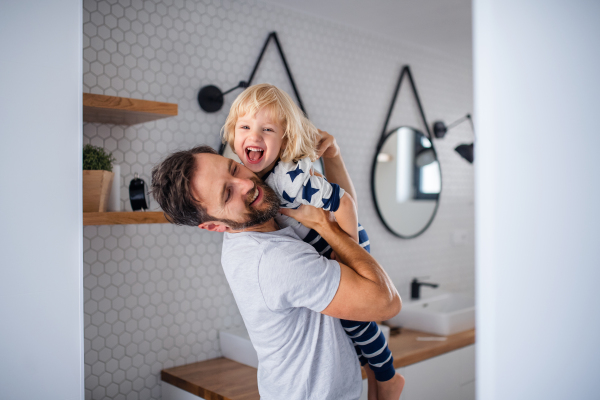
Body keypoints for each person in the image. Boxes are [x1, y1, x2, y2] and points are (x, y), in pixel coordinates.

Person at [151, 145, 402, 400]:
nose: (246, 184)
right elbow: (387, 303)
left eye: (234, 168)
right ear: (214, 225)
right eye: (228, 193)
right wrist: (325, 227)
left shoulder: (260, 222)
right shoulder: (273, 260)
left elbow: (339, 204)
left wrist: (332, 155)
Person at [221, 83, 404, 400]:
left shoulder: (288, 182)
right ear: (232, 134)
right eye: (245, 126)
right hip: (329, 243)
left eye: (268, 129)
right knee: (350, 326)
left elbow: (346, 205)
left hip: (344, 244)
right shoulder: (258, 182)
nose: (255, 135)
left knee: (356, 320)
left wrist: (342, 251)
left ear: (284, 140)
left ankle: (386, 378)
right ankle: (378, 377)